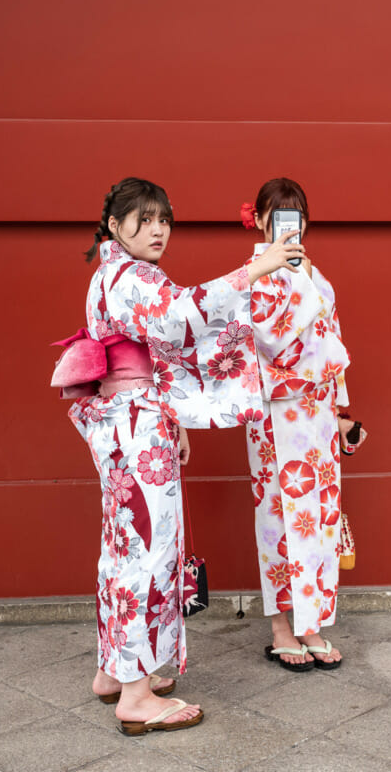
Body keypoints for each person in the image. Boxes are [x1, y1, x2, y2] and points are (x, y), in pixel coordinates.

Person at [66, 177, 304, 734]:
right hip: (138, 427)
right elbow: (182, 316)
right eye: (144, 219)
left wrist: (172, 411)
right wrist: (258, 267)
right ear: (114, 224)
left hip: (125, 420)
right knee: (148, 550)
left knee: (122, 545)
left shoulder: (107, 275)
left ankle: (113, 670)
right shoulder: (136, 276)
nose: (157, 230)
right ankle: (136, 694)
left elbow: (158, 339)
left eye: (164, 220)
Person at [240, 178, 367, 672]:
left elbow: (333, 349)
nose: (288, 226)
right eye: (277, 216)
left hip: (315, 414)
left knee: (317, 518)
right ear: (259, 221)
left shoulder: (318, 277)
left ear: (307, 224)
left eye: (297, 217)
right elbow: (269, 341)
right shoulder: (254, 275)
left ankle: (310, 623)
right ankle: (279, 627)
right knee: (277, 518)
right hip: (276, 413)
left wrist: (340, 413)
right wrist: (308, 288)